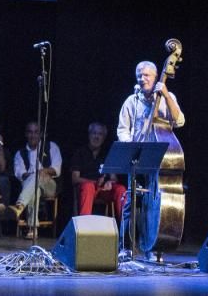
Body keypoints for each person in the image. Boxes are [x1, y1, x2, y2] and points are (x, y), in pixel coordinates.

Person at [116, 60, 185, 250]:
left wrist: (165, 95)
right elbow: (123, 130)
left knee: (154, 206)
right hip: (138, 159)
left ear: (156, 77)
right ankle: (125, 248)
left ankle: (151, 247)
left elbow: (179, 121)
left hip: (162, 160)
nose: (142, 78)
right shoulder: (132, 101)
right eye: (139, 74)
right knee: (131, 203)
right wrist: (130, 147)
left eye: (146, 75)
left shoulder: (167, 97)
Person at [8, 121, 62, 239]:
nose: (33, 135)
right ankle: (33, 229)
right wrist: (36, 175)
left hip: (49, 184)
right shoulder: (20, 153)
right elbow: (20, 174)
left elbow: (57, 169)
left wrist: (44, 171)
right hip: (31, 186)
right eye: (30, 132)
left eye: (36, 132)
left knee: (36, 178)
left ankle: (20, 205)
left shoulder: (51, 146)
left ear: (41, 134)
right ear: (26, 134)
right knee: (35, 188)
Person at [71, 121, 127, 218]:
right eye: (94, 133)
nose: (96, 137)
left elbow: (114, 178)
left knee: (121, 189)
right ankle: (84, 227)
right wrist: (95, 182)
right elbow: (75, 179)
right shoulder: (80, 153)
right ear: (89, 135)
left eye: (100, 134)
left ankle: (125, 228)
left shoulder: (107, 154)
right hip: (86, 189)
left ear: (104, 138)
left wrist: (110, 182)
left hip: (103, 190)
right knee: (88, 187)